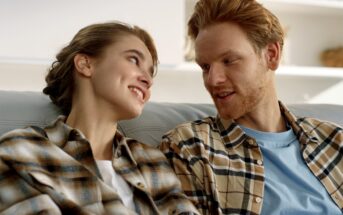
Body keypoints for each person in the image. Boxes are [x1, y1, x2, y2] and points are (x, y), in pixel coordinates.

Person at [160, 0, 343, 214]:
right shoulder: (189, 148)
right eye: (205, 66)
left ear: (271, 55)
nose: (213, 80)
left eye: (229, 60)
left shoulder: (334, 141)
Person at [0, 22, 198, 214]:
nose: (148, 79)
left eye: (150, 72)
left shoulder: (152, 162)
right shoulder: (21, 150)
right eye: (134, 60)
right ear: (85, 64)